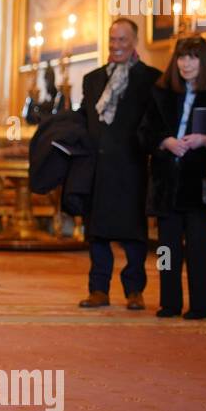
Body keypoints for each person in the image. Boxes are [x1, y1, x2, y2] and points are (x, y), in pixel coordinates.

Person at [78, 17, 162, 310]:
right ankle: (98, 290)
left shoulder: (152, 79)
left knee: (134, 234)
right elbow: (83, 119)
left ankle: (134, 291)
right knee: (97, 232)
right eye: (112, 40)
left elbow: (155, 124)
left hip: (133, 168)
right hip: (98, 168)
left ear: (134, 42)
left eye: (122, 40)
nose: (116, 46)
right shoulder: (92, 80)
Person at [140, 36, 206, 319]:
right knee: (166, 249)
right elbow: (145, 132)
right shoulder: (162, 91)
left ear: (205, 60)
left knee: (199, 248)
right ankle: (169, 302)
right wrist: (165, 142)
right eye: (181, 57)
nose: (186, 64)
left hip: (199, 182)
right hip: (167, 181)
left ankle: (200, 305)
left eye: (193, 57)